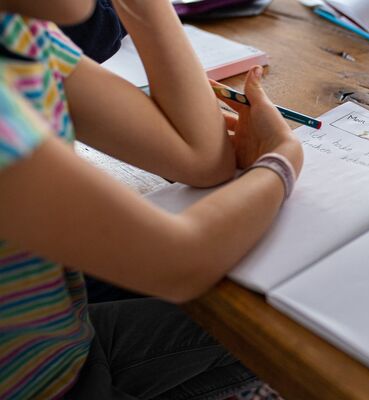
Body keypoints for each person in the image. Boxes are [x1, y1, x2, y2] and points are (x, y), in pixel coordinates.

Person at [0, 0, 302, 399]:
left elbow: (201, 158)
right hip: (41, 384)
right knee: (292, 333)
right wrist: (281, 159)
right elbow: (180, 264)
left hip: (55, 339)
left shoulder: (18, 32)